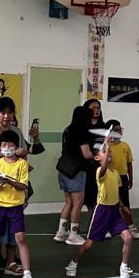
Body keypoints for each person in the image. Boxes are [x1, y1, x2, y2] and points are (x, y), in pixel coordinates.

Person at [0, 96, 43, 273]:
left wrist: (36, 138)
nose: (6, 116)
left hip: (15, 182)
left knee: (13, 226)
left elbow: (29, 150)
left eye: (10, 112)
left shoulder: (16, 131)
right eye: (2, 113)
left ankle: (10, 262)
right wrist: (10, 152)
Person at [65, 138, 133, 278]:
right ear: (97, 158)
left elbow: (116, 192)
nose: (109, 153)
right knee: (89, 244)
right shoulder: (100, 172)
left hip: (115, 211)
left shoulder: (116, 173)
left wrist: (122, 206)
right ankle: (73, 263)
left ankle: (124, 266)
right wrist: (107, 144)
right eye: (104, 152)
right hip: (102, 211)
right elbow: (104, 166)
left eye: (109, 152)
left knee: (128, 238)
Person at [0, 129, 35, 278]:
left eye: (10, 145)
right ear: (0, 147)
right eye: (4, 145)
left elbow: (23, 186)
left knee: (20, 239)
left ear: (16, 147)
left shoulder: (22, 164)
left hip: (15, 207)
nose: (7, 148)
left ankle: (27, 275)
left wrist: (9, 181)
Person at [55, 105, 94, 246]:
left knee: (68, 202)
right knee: (78, 204)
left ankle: (61, 233)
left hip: (63, 169)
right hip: (76, 172)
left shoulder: (68, 130)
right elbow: (86, 154)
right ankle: (73, 235)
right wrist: (97, 155)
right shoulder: (82, 132)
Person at [105, 119, 139, 237]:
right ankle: (106, 228)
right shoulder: (105, 146)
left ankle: (130, 227)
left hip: (123, 178)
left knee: (125, 203)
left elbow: (129, 163)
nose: (119, 132)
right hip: (109, 178)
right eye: (116, 130)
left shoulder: (125, 145)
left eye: (120, 129)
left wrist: (131, 178)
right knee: (109, 204)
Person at [82, 97, 104, 212]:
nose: (96, 110)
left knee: (98, 198)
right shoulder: (83, 127)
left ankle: (96, 221)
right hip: (85, 166)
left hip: (99, 165)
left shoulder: (103, 127)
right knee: (86, 199)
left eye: (98, 108)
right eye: (93, 108)